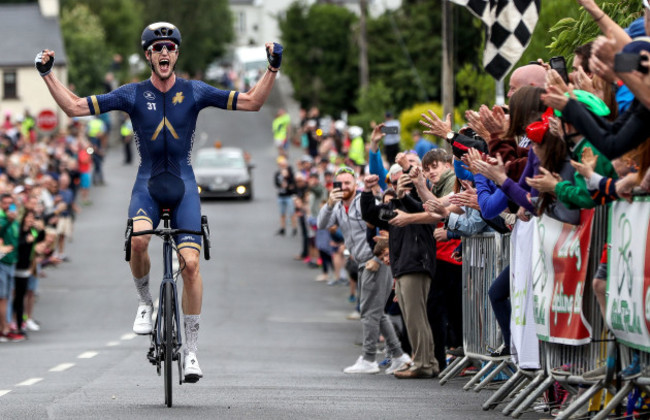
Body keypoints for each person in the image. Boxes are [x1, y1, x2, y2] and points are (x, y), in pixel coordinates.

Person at [35, 22, 283, 382]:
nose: (164, 53)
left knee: (192, 266)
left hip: (183, 186)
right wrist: (46, 74)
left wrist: (272, 68)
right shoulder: (132, 94)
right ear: (148, 56)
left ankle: (192, 351)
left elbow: (253, 101)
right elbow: (74, 107)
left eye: (170, 48)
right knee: (138, 240)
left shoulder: (195, 91)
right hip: (147, 185)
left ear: (176, 54)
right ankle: (145, 302)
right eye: (157, 48)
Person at [318, 167, 412, 375]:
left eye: (347, 183)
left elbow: (384, 225)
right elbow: (322, 224)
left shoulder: (364, 202)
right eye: (339, 184)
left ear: (355, 185)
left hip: (375, 262)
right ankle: (399, 356)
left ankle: (369, 358)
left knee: (369, 312)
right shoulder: (338, 206)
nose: (343, 187)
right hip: (362, 262)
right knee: (377, 313)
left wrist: (378, 258)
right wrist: (330, 203)